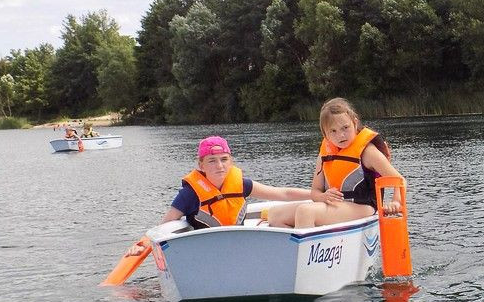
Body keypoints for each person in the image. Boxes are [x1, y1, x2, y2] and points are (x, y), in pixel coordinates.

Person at [123, 136, 312, 256]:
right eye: (212, 161)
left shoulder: (241, 185)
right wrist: (143, 244)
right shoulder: (189, 194)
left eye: (224, 160)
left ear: (231, 162)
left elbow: (282, 193)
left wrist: (317, 195)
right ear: (201, 165)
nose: (219, 166)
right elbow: (165, 224)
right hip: (207, 253)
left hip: (239, 249)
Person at [267, 97, 404, 228]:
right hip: (335, 206)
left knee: (306, 211)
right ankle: (303, 247)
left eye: (345, 128)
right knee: (275, 215)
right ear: (325, 134)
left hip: (364, 207)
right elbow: (315, 192)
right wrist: (323, 196)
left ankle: (306, 247)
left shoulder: (368, 152)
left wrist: (396, 202)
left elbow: (399, 180)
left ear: (355, 123)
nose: (341, 135)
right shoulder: (325, 154)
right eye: (333, 131)